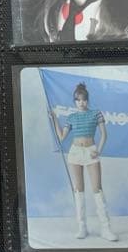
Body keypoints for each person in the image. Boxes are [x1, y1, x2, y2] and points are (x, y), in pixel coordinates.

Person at [47, 82, 117, 242]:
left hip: (91, 152)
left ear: (87, 100)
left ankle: (106, 229)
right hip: (75, 153)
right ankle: (82, 227)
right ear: (75, 101)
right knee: (78, 191)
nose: (81, 102)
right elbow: (62, 137)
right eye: (78, 100)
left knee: (97, 189)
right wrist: (55, 119)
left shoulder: (96, 113)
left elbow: (104, 135)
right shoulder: (71, 117)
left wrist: (98, 150)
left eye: (84, 99)